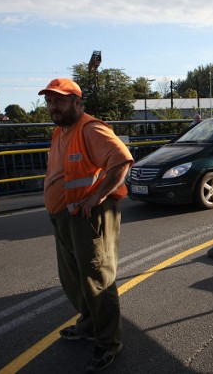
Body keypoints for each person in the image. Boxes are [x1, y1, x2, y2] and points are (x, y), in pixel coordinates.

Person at [40, 78, 133, 373]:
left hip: (88, 216)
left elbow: (121, 161)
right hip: (65, 216)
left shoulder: (90, 128)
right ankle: (91, 324)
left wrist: (95, 198)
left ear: (77, 103)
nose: (54, 106)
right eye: (50, 101)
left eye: (60, 100)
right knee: (73, 277)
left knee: (97, 279)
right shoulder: (60, 131)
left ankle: (108, 342)